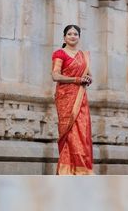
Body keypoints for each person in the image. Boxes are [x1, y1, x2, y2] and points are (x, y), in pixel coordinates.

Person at [51, 25, 94, 175]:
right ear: (64, 37)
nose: (73, 36)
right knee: (69, 133)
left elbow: (90, 76)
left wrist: (87, 79)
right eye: (69, 34)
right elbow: (55, 76)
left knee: (82, 132)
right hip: (65, 98)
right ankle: (66, 171)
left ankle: (82, 169)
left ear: (79, 37)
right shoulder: (60, 54)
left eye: (75, 34)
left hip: (80, 98)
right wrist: (76, 79)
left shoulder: (84, 56)